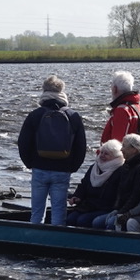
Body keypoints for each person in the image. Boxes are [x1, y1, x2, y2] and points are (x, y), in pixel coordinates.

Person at [17, 75, 87, 225]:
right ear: (62, 91)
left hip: (39, 168)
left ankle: (34, 239)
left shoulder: (35, 115)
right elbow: (81, 146)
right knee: (59, 210)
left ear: (44, 91)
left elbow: (23, 143)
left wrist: (30, 163)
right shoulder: (73, 116)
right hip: (63, 170)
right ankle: (57, 241)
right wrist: (72, 167)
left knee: (36, 211)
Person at [94, 133, 140, 229]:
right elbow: (120, 191)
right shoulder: (126, 166)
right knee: (97, 222)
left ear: (134, 149)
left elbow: (136, 195)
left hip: (132, 210)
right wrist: (116, 209)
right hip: (122, 208)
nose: (121, 149)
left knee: (110, 223)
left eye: (124, 146)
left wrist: (122, 212)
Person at [66, 140, 125, 227]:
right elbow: (84, 184)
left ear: (115, 157)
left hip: (106, 207)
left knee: (82, 221)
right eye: (102, 152)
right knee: (70, 219)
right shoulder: (94, 167)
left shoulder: (120, 170)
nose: (102, 156)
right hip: (89, 205)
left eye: (106, 154)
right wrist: (77, 196)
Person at [101, 70, 140, 144]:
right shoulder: (138, 106)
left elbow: (117, 144)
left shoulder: (122, 110)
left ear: (115, 89)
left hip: (122, 154)